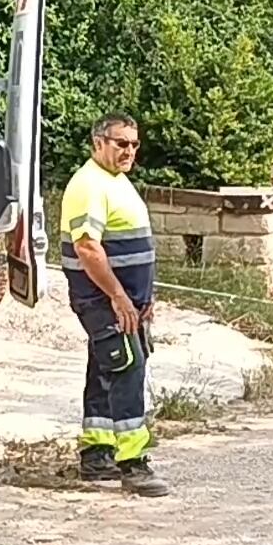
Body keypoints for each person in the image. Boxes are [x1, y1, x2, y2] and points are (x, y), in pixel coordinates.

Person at [60, 113, 170, 497]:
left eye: (134, 144)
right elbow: (87, 248)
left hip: (123, 300)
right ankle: (133, 464)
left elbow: (132, 246)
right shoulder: (89, 184)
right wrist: (119, 296)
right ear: (98, 142)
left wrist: (143, 296)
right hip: (102, 299)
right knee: (127, 367)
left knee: (106, 365)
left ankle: (97, 452)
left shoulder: (115, 182)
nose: (129, 150)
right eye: (120, 143)